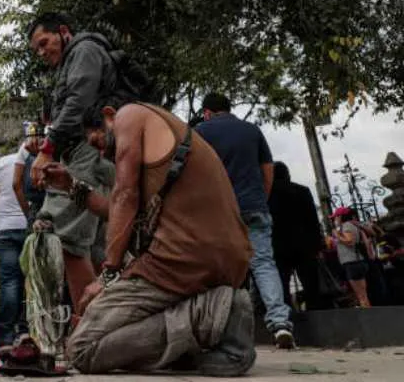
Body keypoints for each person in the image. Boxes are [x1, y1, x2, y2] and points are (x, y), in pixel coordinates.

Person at [43, 100, 255, 375]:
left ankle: (215, 313)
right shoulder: (157, 149)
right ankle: (201, 326)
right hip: (217, 261)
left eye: (95, 139)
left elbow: (124, 195)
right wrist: (71, 185)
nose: (100, 150)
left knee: (82, 349)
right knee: (112, 334)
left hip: (181, 261)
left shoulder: (130, 116)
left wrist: (107, 276)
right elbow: (121, 212)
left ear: (108, 115)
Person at [195, 93, 294, 348]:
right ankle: (280, 324)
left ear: (207, 112)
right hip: (254, 206)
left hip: (220, 211)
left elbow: (193, 173)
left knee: (221, 268)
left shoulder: (201, 132)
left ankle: (221, 327)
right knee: (263, 264)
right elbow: (267, 170)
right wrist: (261, 198)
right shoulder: (252, 130)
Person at [26, 13, 120, 188]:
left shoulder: (84, 50)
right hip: (80, 153)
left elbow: (78, 104)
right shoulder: (69, 62)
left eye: (44, 43)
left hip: (90, 150)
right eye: (36, 50)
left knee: (55, 213)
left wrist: (48, 148)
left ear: (63, 31)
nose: (41, 53)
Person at [0, 151, 28, 345]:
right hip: (30, 227)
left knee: (9, 282)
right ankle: (27, 330)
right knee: (31, 283)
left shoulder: (1, 163)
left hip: (5, 230)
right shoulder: (36, 161)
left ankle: (6, 336)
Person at [267, 161, 326, 311]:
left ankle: (288, 315)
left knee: (282, 286)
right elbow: (312, 220)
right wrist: (318, 245)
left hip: (278, 246)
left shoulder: (266, 193)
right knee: (311, 285)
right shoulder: (302, 190)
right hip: (304, 245)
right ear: (288, 174)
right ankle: (315, 313)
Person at [330, 207, 371, 308]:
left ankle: (367, 318)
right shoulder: (352, 225)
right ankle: (370, 315)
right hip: (357, 261)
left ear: (340, 217)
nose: (335, 220)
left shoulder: (346, 225)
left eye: (335, 217)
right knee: (364, 295)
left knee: (360, 296)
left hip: (352, 263)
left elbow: (350, 241)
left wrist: (337, 235)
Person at [12, 123, 45, 227]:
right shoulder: (62, 139)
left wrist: (29, 214)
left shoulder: (26, 146)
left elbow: (16, 183)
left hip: (36, 205)